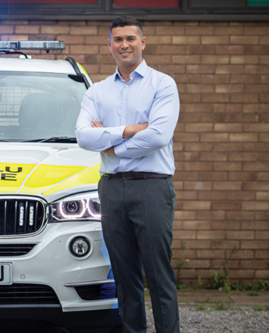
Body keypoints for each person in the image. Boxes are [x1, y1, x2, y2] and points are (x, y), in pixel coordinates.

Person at [75, 16, 180, 333]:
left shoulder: (163, 84)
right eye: (117, 39)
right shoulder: (97, 91)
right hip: (111, 189)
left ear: (143, 42)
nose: (124, 44)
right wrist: (132, 130)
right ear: (109, 45)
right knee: (124, 275)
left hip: (152, 187)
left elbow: (159, 136)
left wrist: (111, 144)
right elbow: (82, 137)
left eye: (130, 38)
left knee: (158, 274)